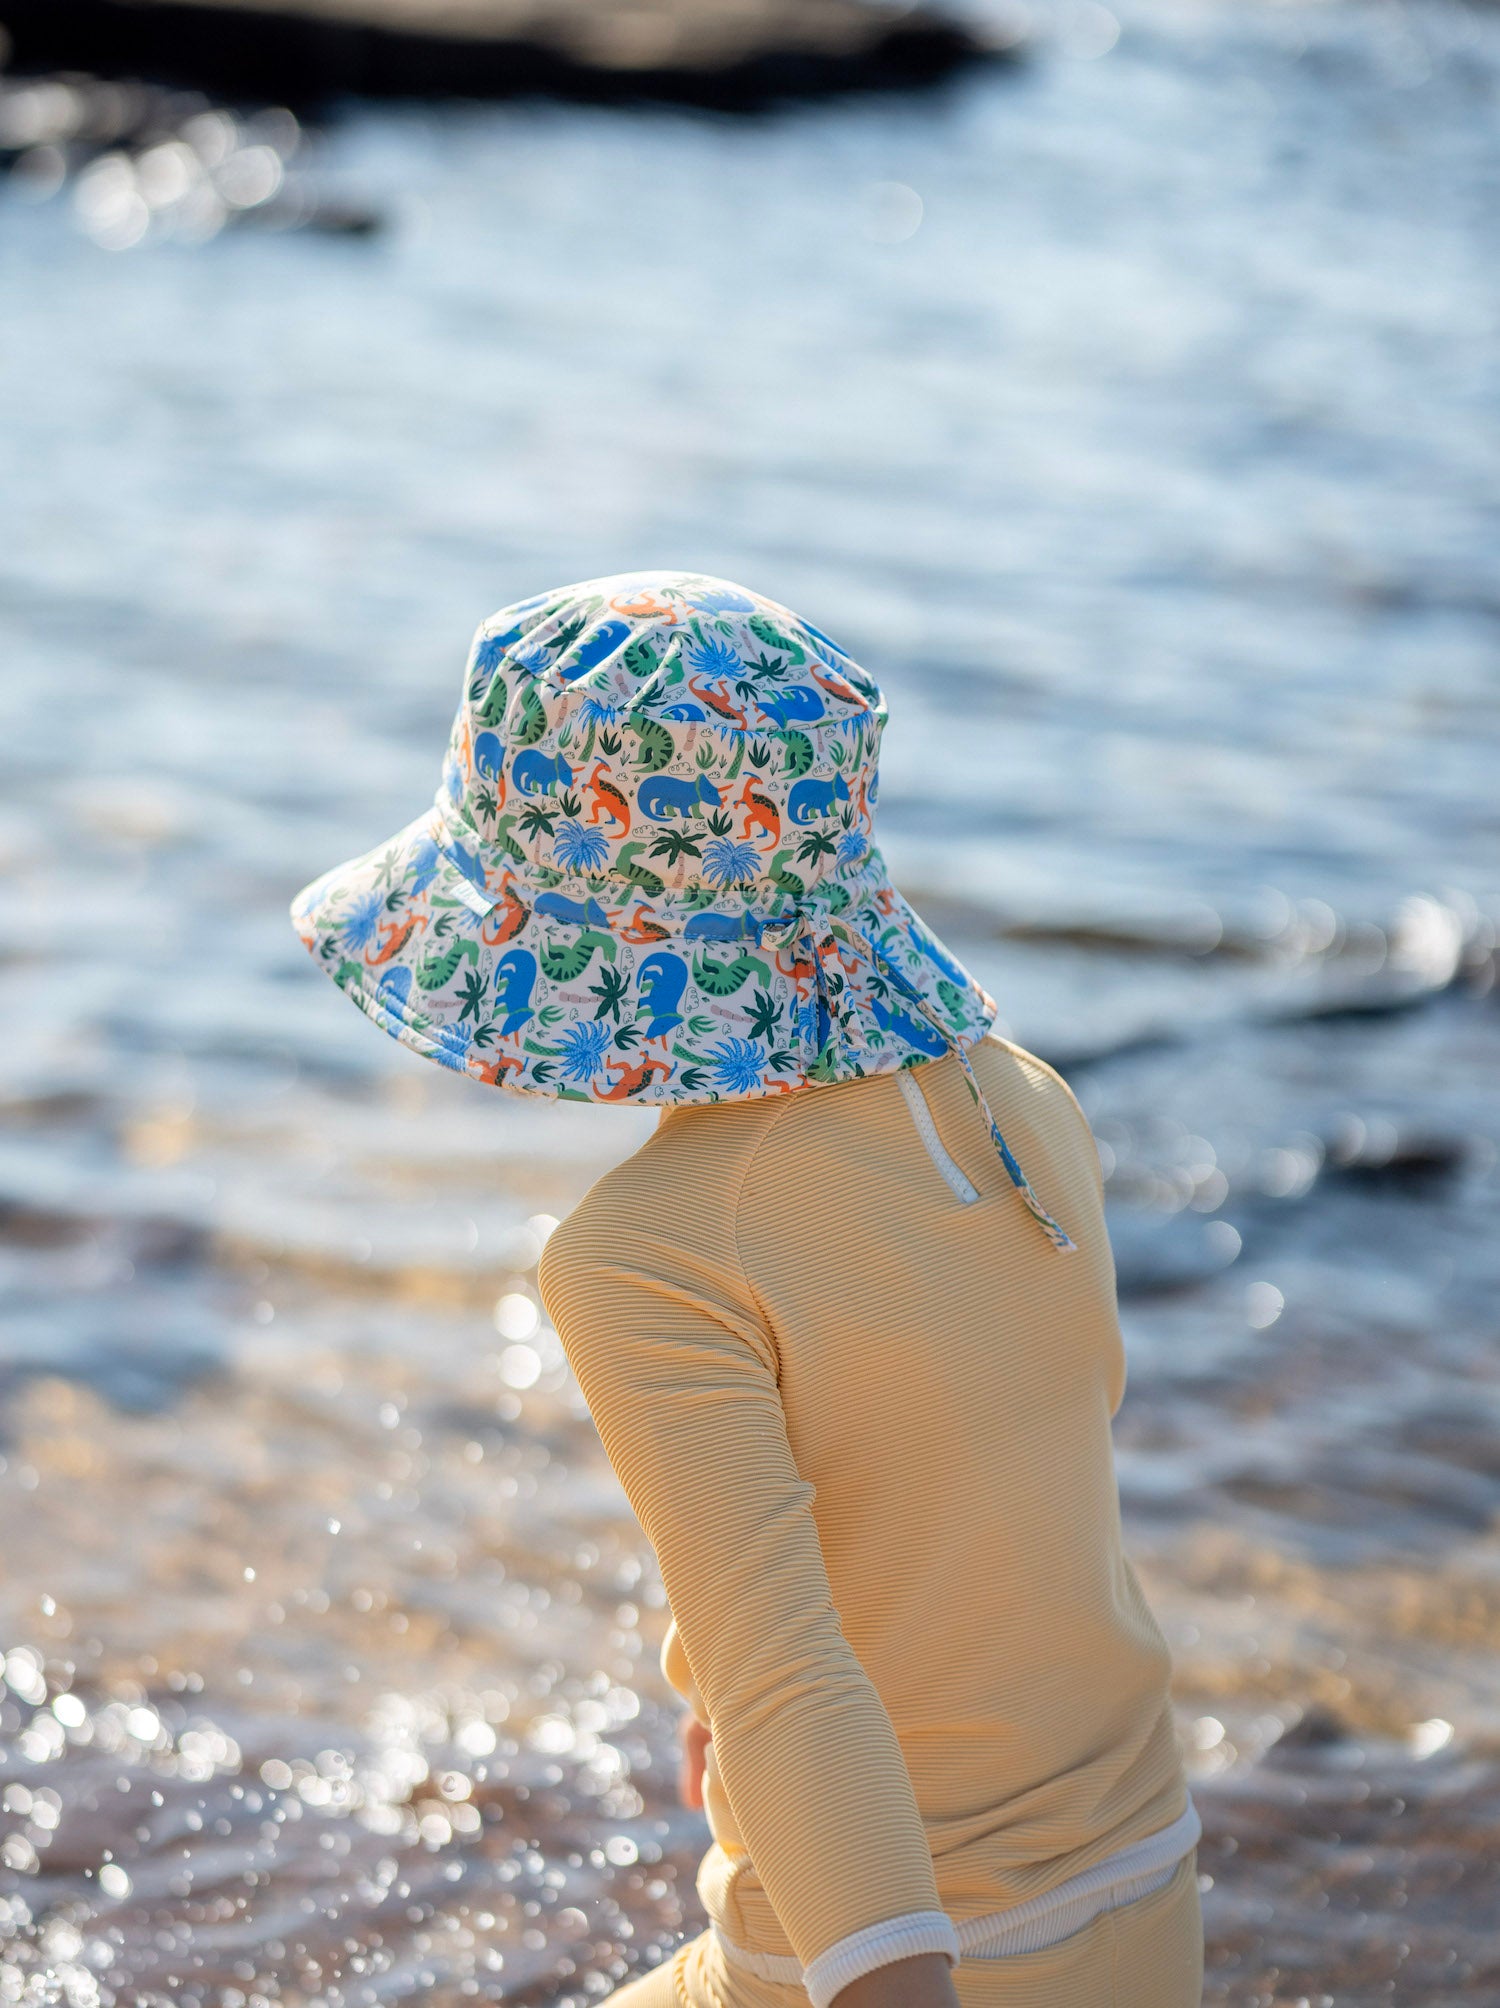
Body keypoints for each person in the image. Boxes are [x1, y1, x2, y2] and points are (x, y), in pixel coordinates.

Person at [290, 570, 1204, 2008]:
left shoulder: (645, 1253)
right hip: (1148, 1885)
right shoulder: (1021, 1100)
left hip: (903, 1957)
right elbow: (1003, 1467)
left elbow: (789, 1686)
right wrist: (721, 1695)